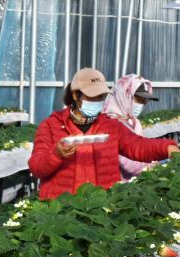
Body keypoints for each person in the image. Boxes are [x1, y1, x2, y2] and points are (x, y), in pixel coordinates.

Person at [28, 68, 177, 200]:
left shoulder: (110, 126)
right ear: (75, 95)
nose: (97, 101)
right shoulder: (51, 125)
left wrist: (167, 148)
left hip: (102, 207)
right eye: (92, 96)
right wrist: (56, 154)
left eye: (101, 96)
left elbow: (138, 145)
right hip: (61, 210)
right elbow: (36, 167)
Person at [103, 74, 160, 180]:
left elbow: (142, 148)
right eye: (138, 100)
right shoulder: (108, 123)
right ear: (124, 95)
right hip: (114, 185)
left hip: (133, 183)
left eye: (144, 101)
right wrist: (155, 166)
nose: (141, 105)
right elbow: (128, 163)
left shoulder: (134, 122)